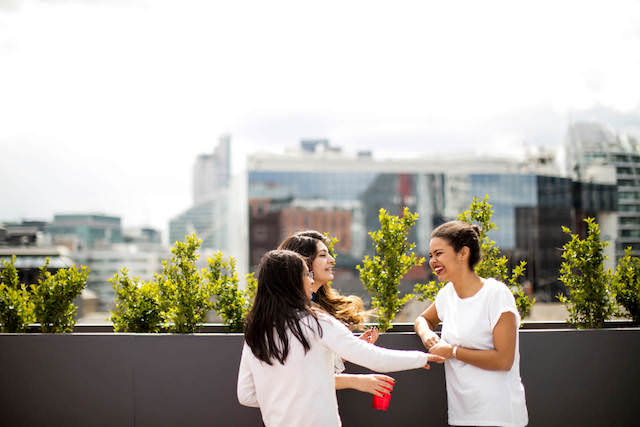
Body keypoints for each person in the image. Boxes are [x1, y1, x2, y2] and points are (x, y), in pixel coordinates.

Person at [238, 249, 443, 427]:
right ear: (292, 281)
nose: (311, 280)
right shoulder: (318, 323)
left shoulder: (256, 331)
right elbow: (373, 358)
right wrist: (422, 358)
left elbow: (246, 395)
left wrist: (282, 398)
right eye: (306, 274)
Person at [414, 220, 528, 427]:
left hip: (499, 416)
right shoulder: (447, 295)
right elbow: (423, 319)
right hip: (463, 414)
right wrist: (427, 335)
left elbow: (503, 361)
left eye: (439, 254)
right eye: (431, 255)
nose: (432, 261)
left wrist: (452, 351)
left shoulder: (496, 295)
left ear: (463, 253)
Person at [278, 231, 391, 397]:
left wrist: (346, 351)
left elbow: (317, 366)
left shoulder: (317, 304)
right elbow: (299, 375)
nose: (332, 260)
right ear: (302, 263)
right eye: (323, 255)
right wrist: (357, 381)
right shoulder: (290, 313)